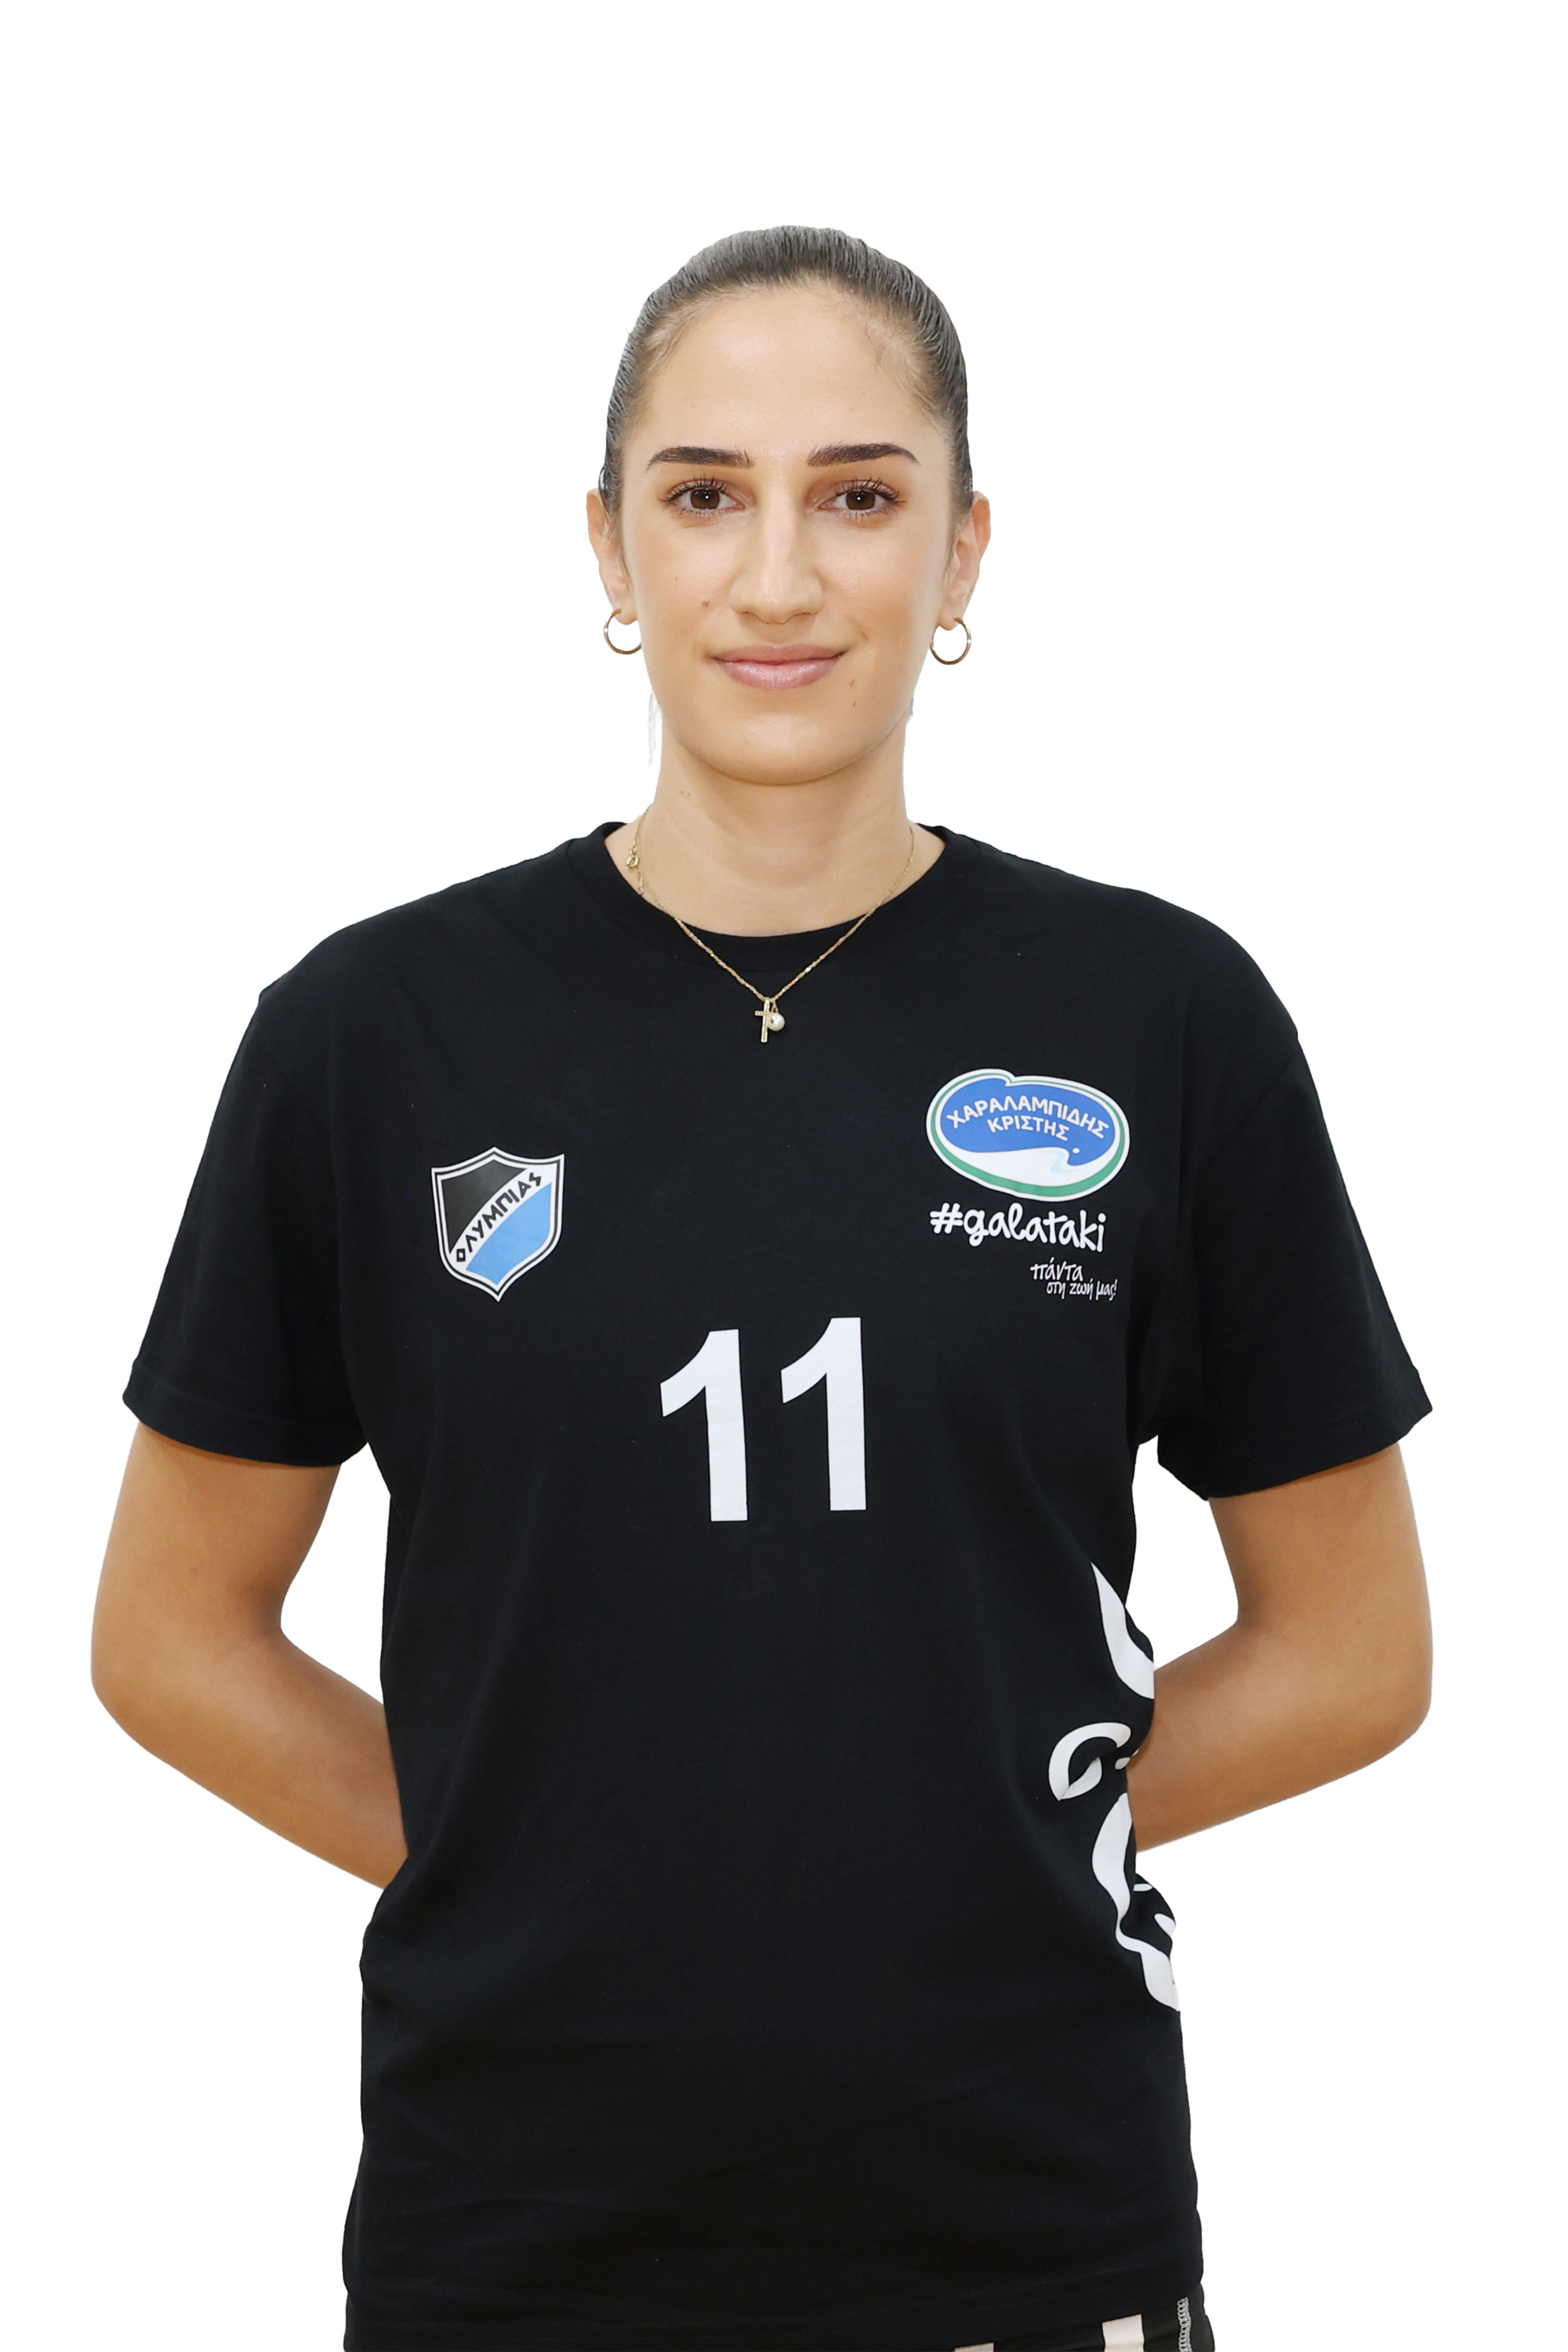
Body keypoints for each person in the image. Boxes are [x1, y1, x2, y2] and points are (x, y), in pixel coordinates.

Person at [93, 227, 1433, 2352]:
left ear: (964, 549)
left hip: (1029, 2217)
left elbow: (1356, 1648)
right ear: (609, 547)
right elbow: (170, 1634)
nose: (780, 575)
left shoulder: (1163, 1016)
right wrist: (547, 1861)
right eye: (706, 493)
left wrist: (978, 1834)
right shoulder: (371, 1033)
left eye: (861, 494)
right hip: (513, 2237)